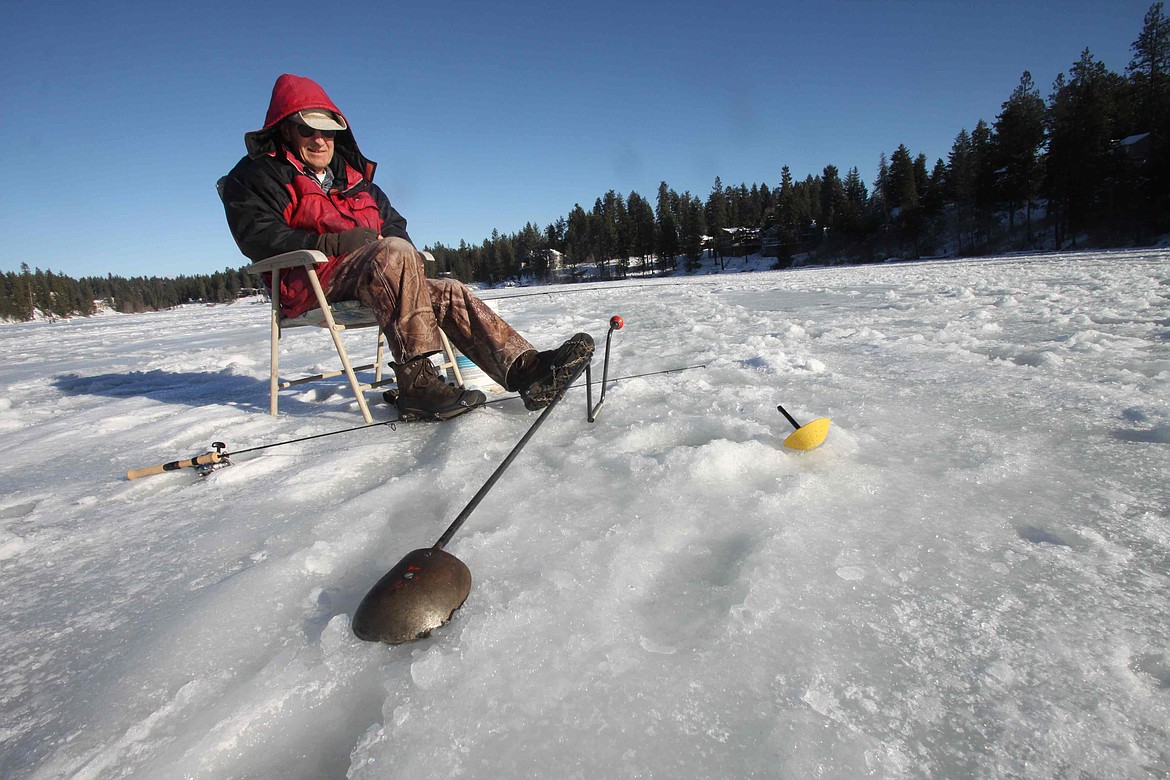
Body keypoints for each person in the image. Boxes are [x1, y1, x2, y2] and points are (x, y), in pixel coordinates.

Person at [221, 74, 592, 420]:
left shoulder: (355, 179)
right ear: (285, 129)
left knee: (448, 291)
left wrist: (403, 257)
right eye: (307, 130)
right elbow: (256, 234)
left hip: (380, 277)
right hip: (309, 281)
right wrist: (329, 242)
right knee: (394, 253)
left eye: (328, 132)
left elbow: (394, 225)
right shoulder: (256, 174)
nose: (320, 140)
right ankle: (417, 384)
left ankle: (526, 371)